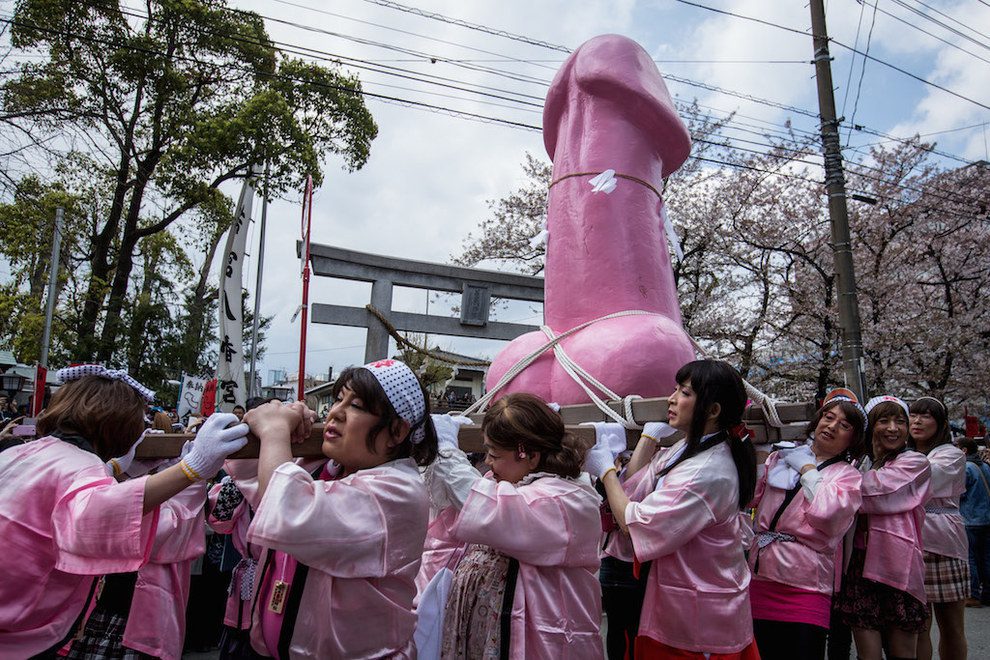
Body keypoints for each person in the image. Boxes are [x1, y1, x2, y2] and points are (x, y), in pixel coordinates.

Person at [0, 365, 248, 657]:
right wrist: (190, 470)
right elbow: (101, 516)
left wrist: (115, 468)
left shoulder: (19, 452)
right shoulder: (80, 468)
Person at [226, 359, 437, 658]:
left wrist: (275, 432)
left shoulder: (396, 492)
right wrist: (287, 422)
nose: (335, 412)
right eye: (339, 399)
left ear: (397, 431)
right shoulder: (332, 468)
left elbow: (286, 511)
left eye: (357, 406)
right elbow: (256, 475)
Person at [594, 359, 759, 659]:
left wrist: (605, 471)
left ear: (712, 410)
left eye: (684, 392)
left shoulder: (706, 471)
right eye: (675, 389)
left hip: (699, 619)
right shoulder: (685, 450)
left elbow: (634, 522)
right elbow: (632, 490)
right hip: (684, 600)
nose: (671, 399)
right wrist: (646, 440)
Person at [426, 392, 603, 659]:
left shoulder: (566, 500)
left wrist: (448, 452)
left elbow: (495, 509)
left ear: (530, 456)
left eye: (494, 454)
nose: (488, 461)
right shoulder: (510, 484)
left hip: (535, 637)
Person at [748, 393, 866, 660]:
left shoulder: (848, 476)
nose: (832, 426)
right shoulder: (782, 458)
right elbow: (750, 496)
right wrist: (761, 455)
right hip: (760, 577)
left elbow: (827, 515)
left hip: (806, 586)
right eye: (828, 417)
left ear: (853, 438)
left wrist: (809, 470)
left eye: (844, 425)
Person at [834, 395, 932, 660]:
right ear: (870, 426)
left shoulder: (915, 462)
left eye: (900, 421)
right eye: (884, 420)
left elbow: (876, 492)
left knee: (902, 652)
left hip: (897, 563)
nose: (893, 428)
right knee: (868, 654)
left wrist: (834, 486)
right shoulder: (858, 463)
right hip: (859, 563)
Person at [909, 396, 968, 660]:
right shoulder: (905, 453)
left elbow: (920, 478)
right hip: (910, 542)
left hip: (944, 543)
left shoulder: (951, 454)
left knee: (952, 625)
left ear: (941, 423)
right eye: (912, 415)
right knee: (918, 626)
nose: (917, 421)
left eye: (926, 416)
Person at [960, 437, 990, 607]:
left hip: (970, 518)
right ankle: (987, 593)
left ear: (964, 450)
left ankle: (973, 594)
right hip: (986, 518)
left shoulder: (966, 468)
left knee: (970, 557)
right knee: (986, 557)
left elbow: (960, 492)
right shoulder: (985, 466)